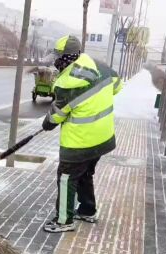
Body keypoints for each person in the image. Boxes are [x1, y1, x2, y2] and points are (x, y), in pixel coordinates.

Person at [41, 35, 123, 233]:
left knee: (66, 177)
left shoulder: (68, 82)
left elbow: (56, 116)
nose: (55, 62)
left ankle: (63, 221)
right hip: (103, 138)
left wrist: (47, 123)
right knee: (85, 173)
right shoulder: (100, 66)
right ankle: (87, 210)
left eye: (57, 58)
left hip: (79, 142)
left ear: (66, 58)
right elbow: (117, 86)